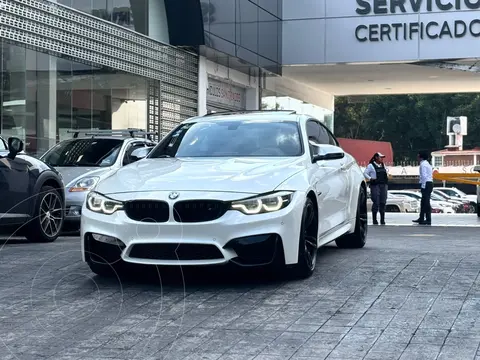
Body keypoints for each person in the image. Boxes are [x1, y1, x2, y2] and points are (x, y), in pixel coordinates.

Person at [364, 152, 388, 225]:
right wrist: (370, 178)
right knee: (376, 202)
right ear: (376, 157)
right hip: (375, 185)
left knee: (383, 202)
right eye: (380, 157)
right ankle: (375, 219)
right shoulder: (371, 165)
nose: (382, 159)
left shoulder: (383, 165)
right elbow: (365, 173)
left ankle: (382, 219)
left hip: (383, 185)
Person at [413, 151, 433, 225]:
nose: (417, 157)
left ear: (421, 157)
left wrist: (423, 185)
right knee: (423, 202)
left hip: (426, 183)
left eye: (418, 156)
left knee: (426, 202)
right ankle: (421, 217)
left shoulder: (423, 165)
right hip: (429, 183)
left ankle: (428, 219)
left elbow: (424, 176)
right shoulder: (426, 163)